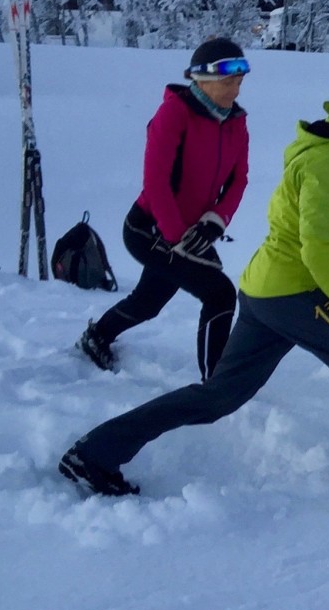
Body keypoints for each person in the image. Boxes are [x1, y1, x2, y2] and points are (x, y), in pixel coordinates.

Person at [58, 76, 329, 495]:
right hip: (294, 293)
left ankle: (96, 452)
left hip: (266, 292)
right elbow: (318, 251)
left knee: (217, 397)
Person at [77, 38, 250, 378]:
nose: (235, 90)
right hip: (150, 228)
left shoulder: (235, 122)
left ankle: (97, 335)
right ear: (201, 80)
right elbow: (155, 183)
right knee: (220, 294)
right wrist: (177, 238)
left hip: (194, 231)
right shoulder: (174, 113)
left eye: (239, 82)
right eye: (228, 82)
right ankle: (216, 382)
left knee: (148, 303)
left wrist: (215, 222)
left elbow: (239, 179)